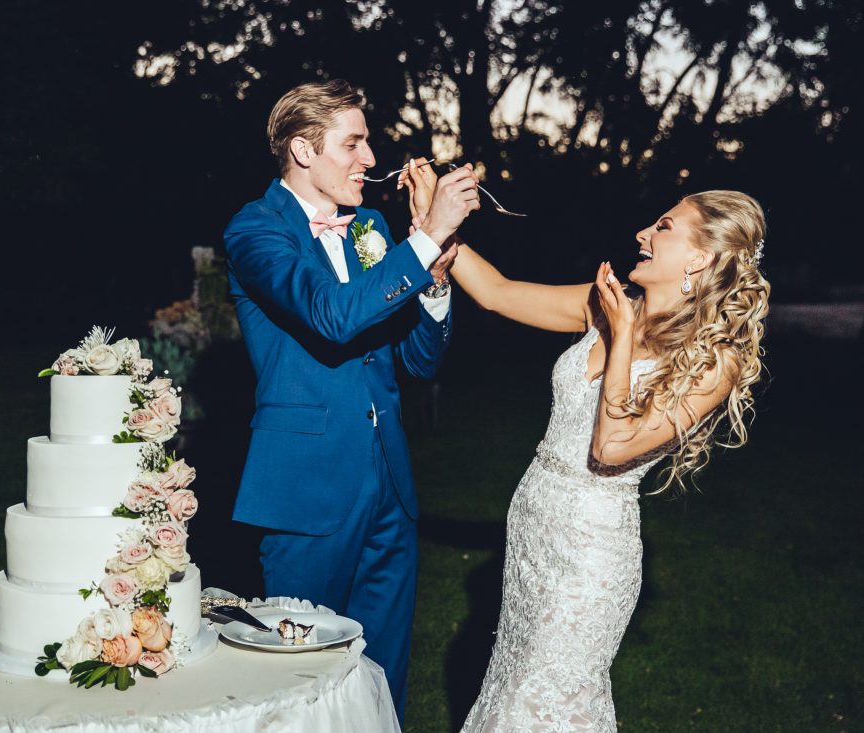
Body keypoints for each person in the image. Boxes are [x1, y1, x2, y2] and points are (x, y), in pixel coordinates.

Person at [402, 160, 771, 732]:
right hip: (532, 524)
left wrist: (623, 337)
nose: (643, 235)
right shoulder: (608, 303)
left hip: (591, 553)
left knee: (543, 699)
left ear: (699, 258)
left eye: (664, 228)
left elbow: (612, 447)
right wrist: (434, 220)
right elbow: (498, 293)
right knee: (507, 686)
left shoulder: (713, 359)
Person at [222, 80, 480, 722]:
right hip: (307, 491)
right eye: (354, 144)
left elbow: (417, 359)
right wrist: (423, 243)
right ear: (305, 150)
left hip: (390, 484)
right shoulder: (256, 230)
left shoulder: (371, 227)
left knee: (383, 671)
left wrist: (436, 280)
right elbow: (332, 318)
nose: (370, 159)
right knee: (300, 679)